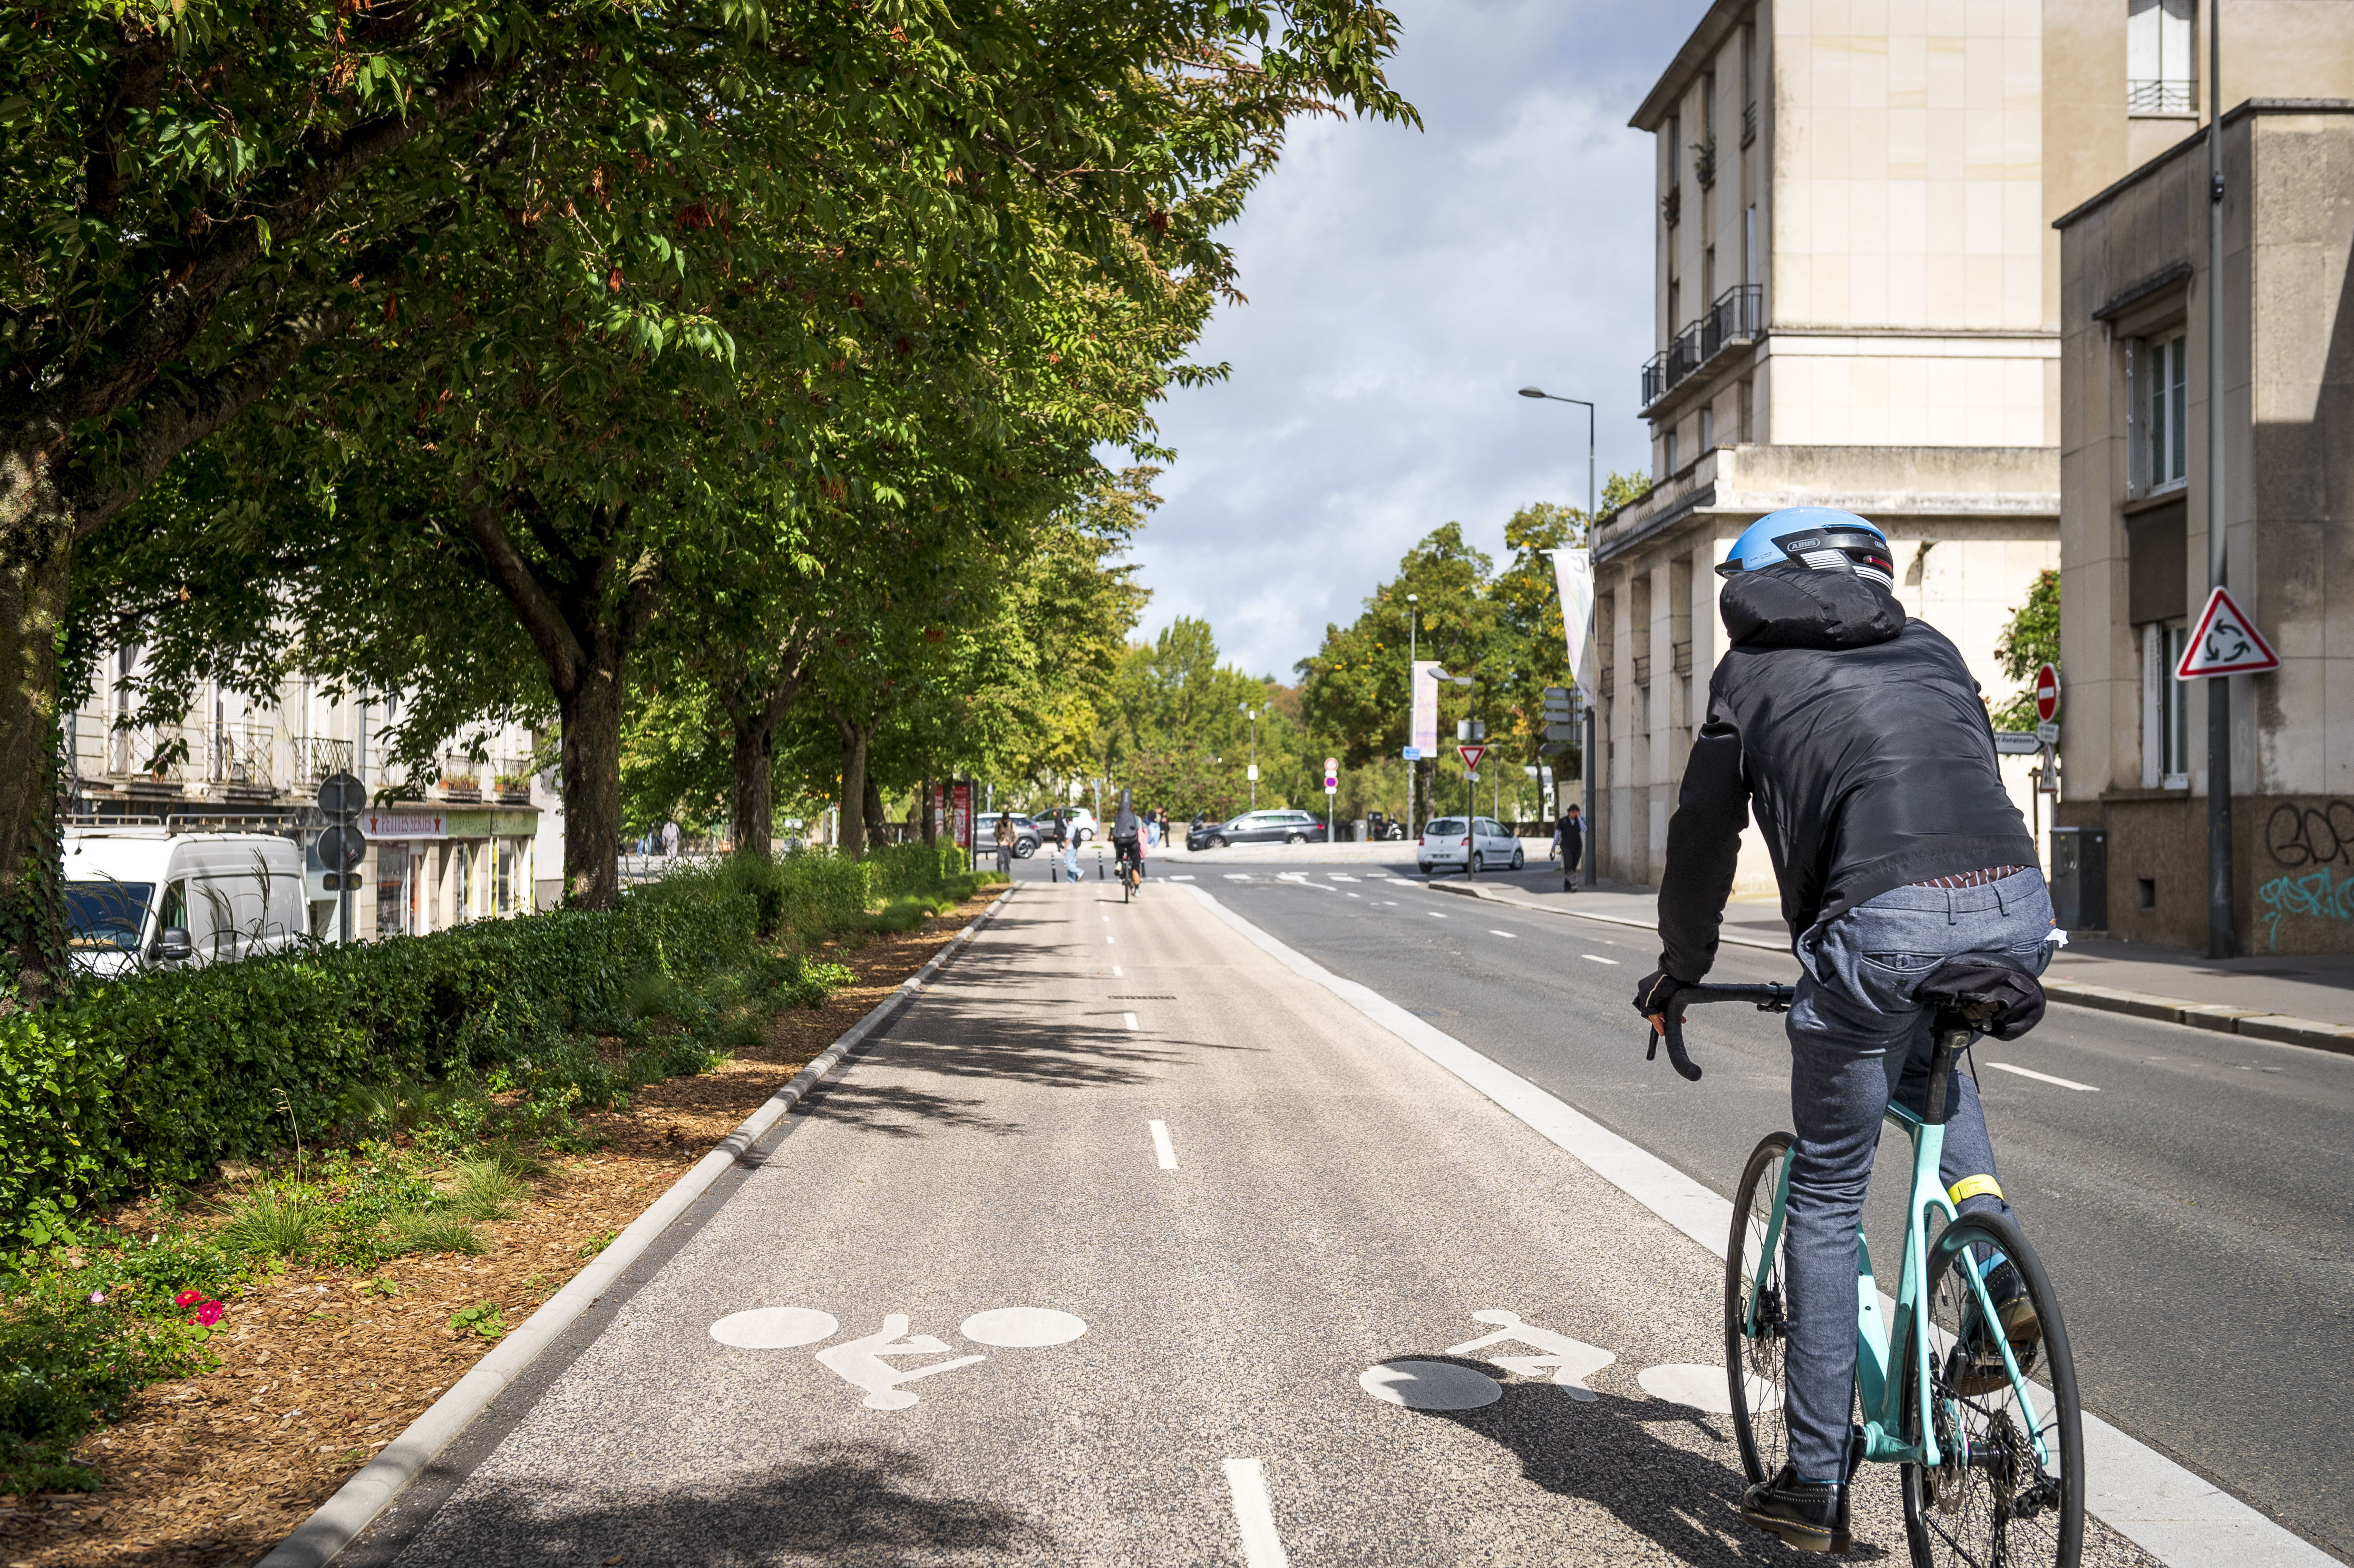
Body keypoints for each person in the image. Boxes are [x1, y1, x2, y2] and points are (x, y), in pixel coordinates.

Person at [1632, 507, 2054, 1555]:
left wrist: (1680, 969)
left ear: (1758, 585)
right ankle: (1997, 1263)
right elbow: (1972, 774)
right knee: (1934, 1050)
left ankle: (1814, 1479)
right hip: (2015, 905)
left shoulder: (1747, 674)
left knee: (1823, 1192)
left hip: (1874, 924)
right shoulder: (1935, 648)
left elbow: (1700, 840)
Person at [1111, 790, 1144, 890]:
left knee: (1119, 849)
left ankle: (1119, 862)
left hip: (1119, 841)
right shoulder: (1135, 818)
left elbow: (1112, 827)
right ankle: (1137, 889)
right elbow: (1138, 829)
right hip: (1132, 842)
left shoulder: (1117, 817)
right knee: (1136, 865)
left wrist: (1111, 837)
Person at [1556, 803, 1583, 892]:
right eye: (1573, 813)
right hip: (1566, 847)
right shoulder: (1563, 821)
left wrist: (1579, 818)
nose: (1574, 814)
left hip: (1577, 847)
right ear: (1570, 812)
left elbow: (1584, 829)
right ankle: (1573, 884)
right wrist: (1554, 846)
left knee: (1573, 867)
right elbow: (1558, 834)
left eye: (1576, 813)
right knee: (1569, 865)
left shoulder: (1579, 821)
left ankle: (1567, 886)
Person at [994, 811, 1016, 877]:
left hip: (1008, 845)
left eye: (1007, 819)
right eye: (1004, 819)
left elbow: (1016, 835)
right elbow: (995, 833)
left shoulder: (1011, 824)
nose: (1006, 821)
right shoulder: (999, 824)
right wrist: (1000, 835)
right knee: (1000, 860)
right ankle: (1000, 875)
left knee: (1007, 862)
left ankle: (1006, 876)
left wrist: (1012, 842)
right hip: (1000, 845)